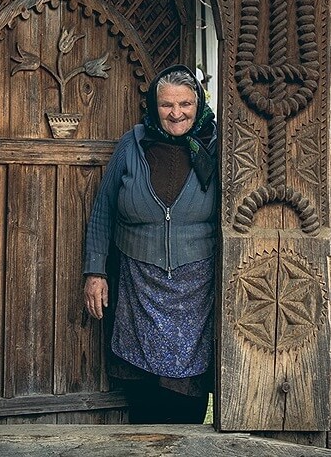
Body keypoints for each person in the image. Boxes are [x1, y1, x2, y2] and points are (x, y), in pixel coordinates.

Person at [82, 64, 218, 424]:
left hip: (196, 283)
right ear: (154, 106)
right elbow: (102, 211)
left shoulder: (216, 146)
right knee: (142, 385)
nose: (176, 113)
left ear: (198, 103)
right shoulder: (134, 143)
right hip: (138, 277)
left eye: (185, 104)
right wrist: (95, 271)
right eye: (166, 105)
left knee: (187, 382)